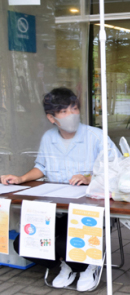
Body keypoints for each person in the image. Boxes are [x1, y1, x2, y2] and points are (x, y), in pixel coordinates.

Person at [1, 87, 121, 292]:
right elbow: (42, 167)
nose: (71, 115)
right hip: (55, 208)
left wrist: (88, 177)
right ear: (51, 117)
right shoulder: (49, 138)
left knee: (67, 240)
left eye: (74, 109)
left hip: (88, 207)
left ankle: (86, 265)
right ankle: (68, 263)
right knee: (24, 243)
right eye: (64, 112)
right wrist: (21, 178)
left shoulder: (96, 136)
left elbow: (117, 167)